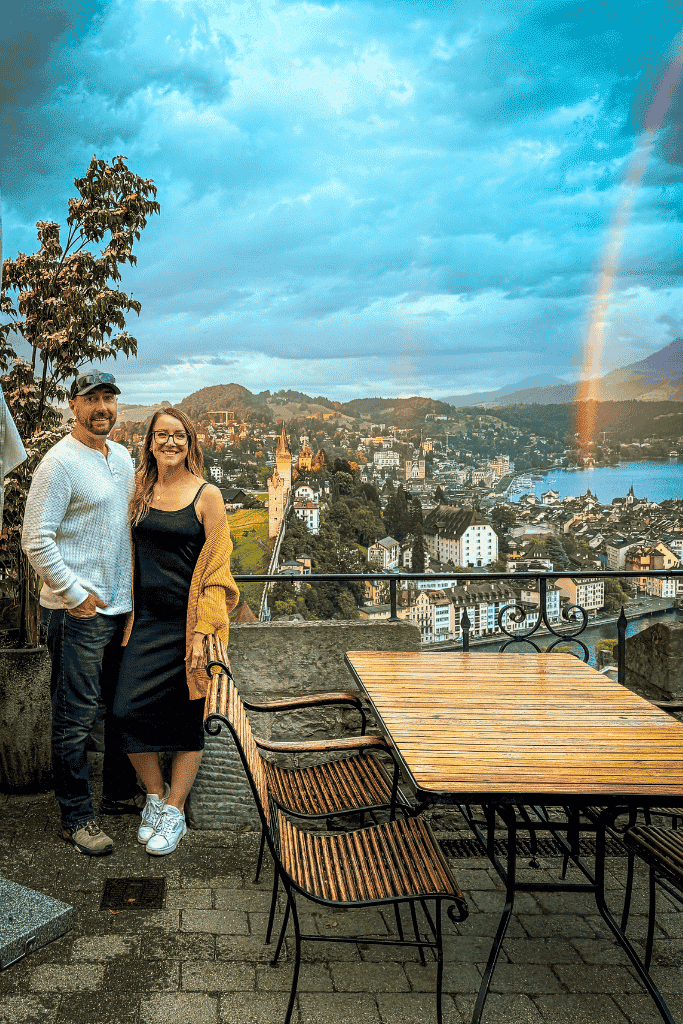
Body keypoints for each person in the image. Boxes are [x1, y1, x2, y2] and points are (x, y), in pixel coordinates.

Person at [22, 371, 142, 855]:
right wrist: (74, 593)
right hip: (78, 615)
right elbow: (35, 539)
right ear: (73, 406)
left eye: (109, 398)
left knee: (118, 709)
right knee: (74, 718)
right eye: (91, 399)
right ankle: (75, 817)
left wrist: (129, 600)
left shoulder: (123, 458)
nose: (102, 408)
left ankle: (115, 793)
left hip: (118, 609)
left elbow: (125, 531)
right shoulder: (58, 464)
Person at [113, 407, 239, 855]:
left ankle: (175, 810)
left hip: (188, 630)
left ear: (190, 444)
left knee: (189, 722)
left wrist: (206, 629)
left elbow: (218, 569)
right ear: (149, 442)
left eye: (179, 435)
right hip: (142, 622)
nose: (170, 442)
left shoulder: (207, 496)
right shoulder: (139, 492)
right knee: (125, 709)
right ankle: (154, 795)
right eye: (161, 435)